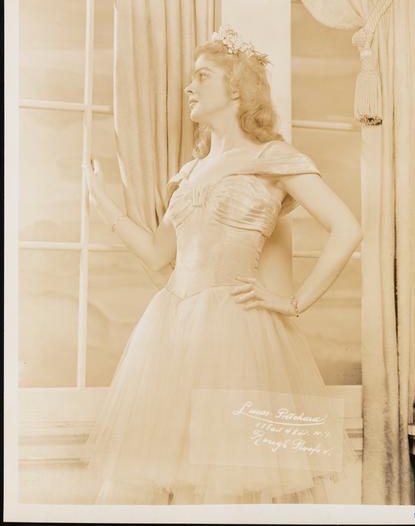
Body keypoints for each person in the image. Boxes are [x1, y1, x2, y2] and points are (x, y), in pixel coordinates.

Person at [81, 26, 362, 505]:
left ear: (236, 88)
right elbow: (157, 257)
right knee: (165, 481)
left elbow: (347, 229)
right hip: (171, 334)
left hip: (237, 333)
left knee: (228, 485)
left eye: (201, 76)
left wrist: (294, 302)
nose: (188, 87)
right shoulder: (188, 173)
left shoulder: (273, 158)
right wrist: (101, 203)